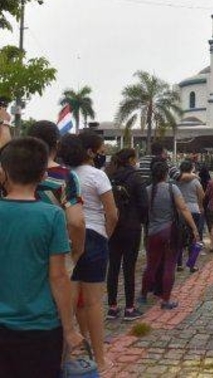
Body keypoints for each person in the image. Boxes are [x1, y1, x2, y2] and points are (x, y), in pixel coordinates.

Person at [0, 137, 83, 377]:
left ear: (4, 171)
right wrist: (69, 329)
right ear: (43, 175)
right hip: (41, 327)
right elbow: (58, 277)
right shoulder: (52, 216)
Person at [60, 131, 118, 372]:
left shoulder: (64, 175)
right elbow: (112, 213)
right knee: (93, 303)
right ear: (91, 151)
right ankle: (101, 359)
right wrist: (106, 234)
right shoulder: (97, 176)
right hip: (94, 235)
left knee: (69, 303)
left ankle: (65, 358)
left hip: (68, 237)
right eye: (101, 148)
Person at [140, 161, 199, 309]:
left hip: (152, 232)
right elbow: (184, 209)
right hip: (170, 232)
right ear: (166, 173)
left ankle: (143, 295)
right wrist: (194, 228)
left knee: (151, 266)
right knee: (169, 266)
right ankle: (166, 300)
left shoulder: (147, 190)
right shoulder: (172, 189)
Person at [28, 120, 86, 265]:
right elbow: (76, 222)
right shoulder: (66, 177)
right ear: (58, 144)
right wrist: (77, 252)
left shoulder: (11, 174)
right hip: (55, 254)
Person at [105, 148, 149, 321]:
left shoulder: (110, 177)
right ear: (131, 159)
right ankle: (130, 308)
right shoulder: (136, 178)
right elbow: (144, 204)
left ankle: (112, 307)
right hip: (131, 227)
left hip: (113, 225)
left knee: (113, 267)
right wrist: (141, 219)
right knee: (129, 267)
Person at [176, 160, 206, 269]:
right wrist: (200, 205)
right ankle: (192, 264)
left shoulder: (176, 181)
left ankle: (179, 264)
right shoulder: (195, 181)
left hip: (179, 210)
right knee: (193, 236)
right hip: (193, 210)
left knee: (179, 237)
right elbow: (202, 195)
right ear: (191, 169)